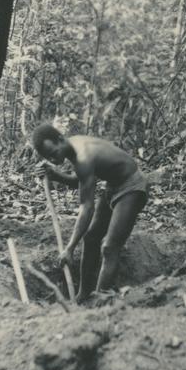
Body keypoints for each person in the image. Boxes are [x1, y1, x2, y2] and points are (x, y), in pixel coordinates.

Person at [31, 123, 148, 302]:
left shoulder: (83, 157)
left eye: (54, 154)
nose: (54, 160)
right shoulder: (73, 147)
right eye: (50, 158)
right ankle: (83, 294)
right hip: (113, 186)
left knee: (109, 247)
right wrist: (54, 174)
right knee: (91, 238)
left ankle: (99, 302)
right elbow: (81, 180)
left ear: (60, 139)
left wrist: (69, 248)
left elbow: (87, 207)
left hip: (132, 186)